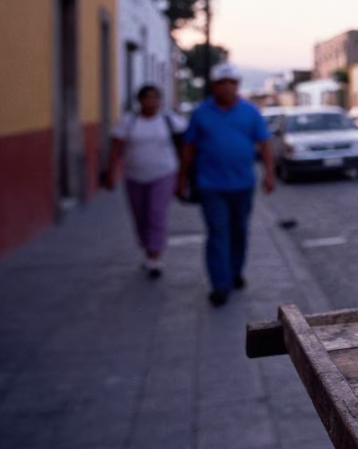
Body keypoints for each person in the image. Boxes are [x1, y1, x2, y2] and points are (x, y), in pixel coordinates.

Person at [178, 63, 276, 306]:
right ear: (214, 86)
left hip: (243, 184)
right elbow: (188, 149)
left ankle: (235, 271)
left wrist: (269, 174)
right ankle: (220, 285)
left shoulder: (250, 112)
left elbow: (265, 145)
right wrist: (180, 180)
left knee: (239, 230)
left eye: (232, 82)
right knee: (217, 232)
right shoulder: (202, 113)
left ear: (237, 85)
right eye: (223, 83)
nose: (228, 87)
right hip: (211, 186)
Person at [105, 85, 185, 278]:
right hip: (134, 176)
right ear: (139, 101)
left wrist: (185, 174)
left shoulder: (169, 120)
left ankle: (155, 258)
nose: (151, 102)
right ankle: (147, 250)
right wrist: (111, 171)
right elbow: (116, 147)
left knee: (156, 214)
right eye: (146, 98)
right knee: (140, 215)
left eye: (155, 98)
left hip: (164, 173)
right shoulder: (129, 122)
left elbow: (186, 144)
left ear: (160, 101)